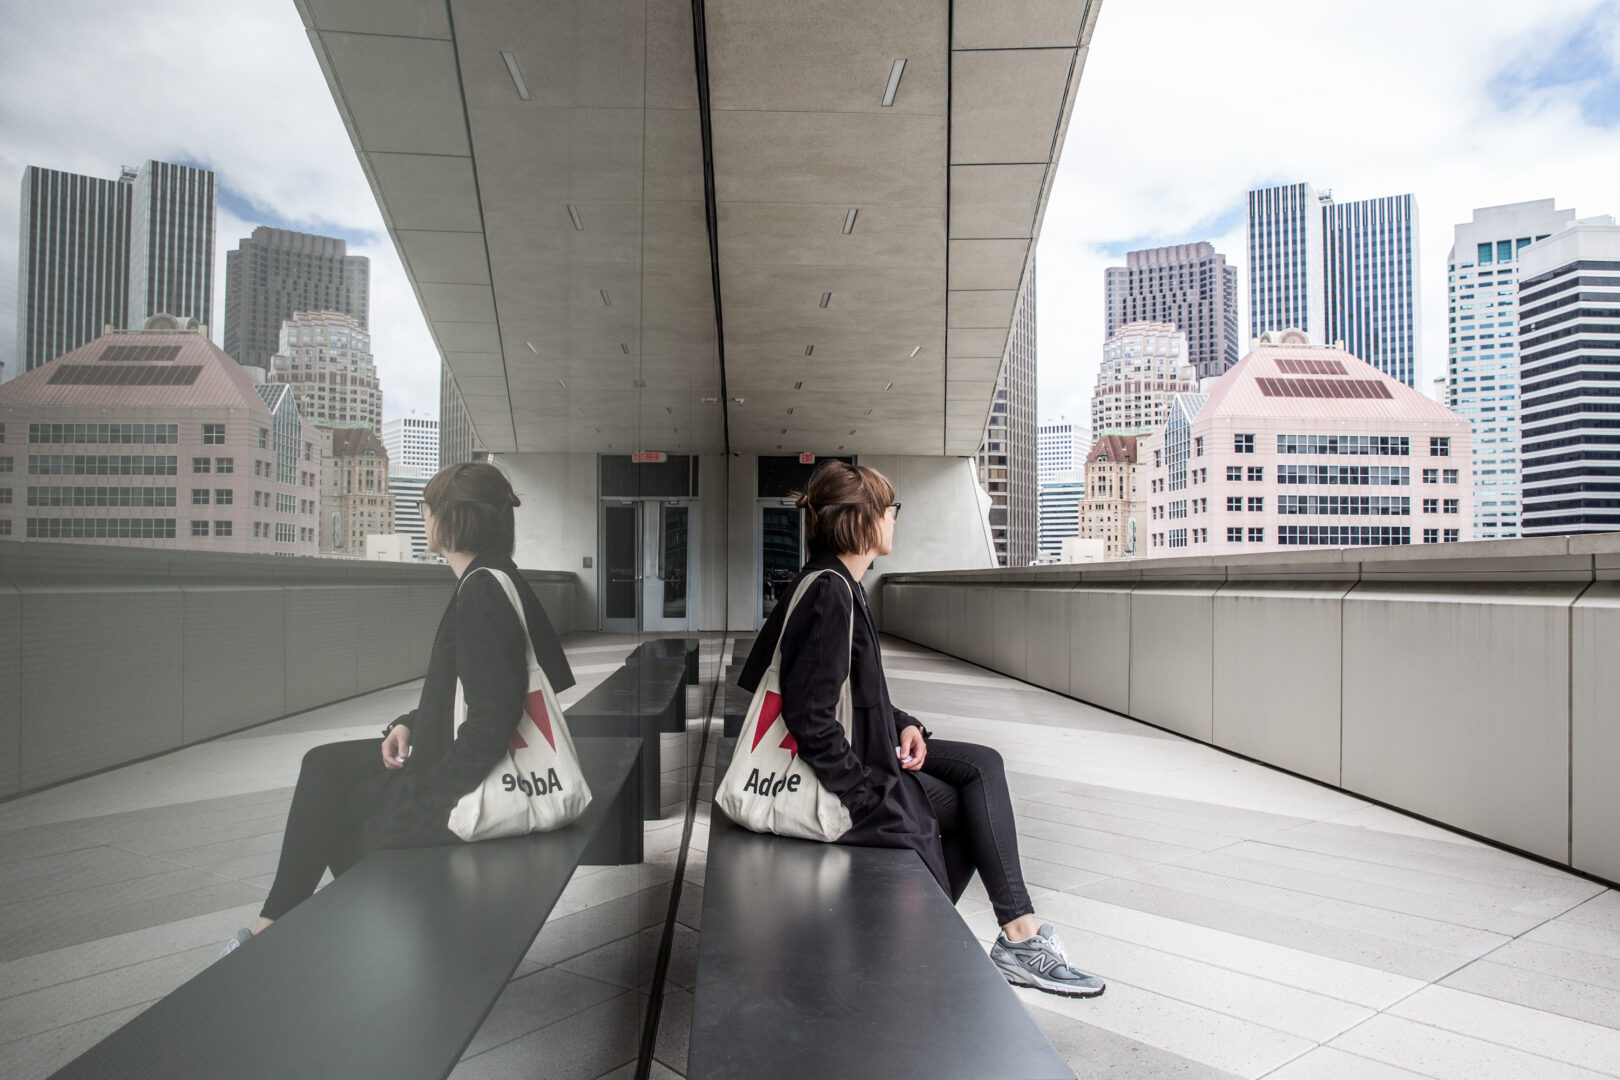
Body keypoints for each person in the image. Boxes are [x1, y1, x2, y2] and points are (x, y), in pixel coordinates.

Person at [737, 460, 1105, 997]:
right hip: (846, 778)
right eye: (890, 508)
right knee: (952, 810)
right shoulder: (829, 592)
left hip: (869, 751)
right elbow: (809, 716)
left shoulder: (834, 581)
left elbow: (849, 689)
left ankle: (1005, 939)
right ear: (862, 520)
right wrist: (866, 798)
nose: (894, 518)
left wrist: (905, 725)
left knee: (983, 765)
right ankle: (975, 942)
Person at [220, 462, 572, 957]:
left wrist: (428, 796)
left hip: (463, 790)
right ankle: (270, 929)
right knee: (323, 765)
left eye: (427, 507)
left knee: (344, 813)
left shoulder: (482, 591)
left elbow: (493, 718)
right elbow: (476, 688)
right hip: (451, 757)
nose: (423, 517)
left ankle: (281, 940)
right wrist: (408, 724)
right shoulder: (490, 577)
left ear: (453, 518)